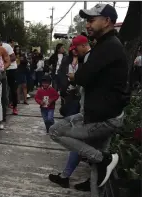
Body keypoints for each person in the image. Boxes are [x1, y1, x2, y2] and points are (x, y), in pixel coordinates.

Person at [49, 3, 130, 188]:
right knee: (97, 172)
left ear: (107, 21)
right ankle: (101, 165)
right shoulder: (105, 44)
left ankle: (104, 159)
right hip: (103, 114)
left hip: (103, 118)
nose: (87, 25)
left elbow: (83, 77)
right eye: (87, 21)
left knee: (55, 131)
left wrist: (76, 77)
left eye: (92, 20)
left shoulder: (109, 46)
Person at [49, 35, 92, 191]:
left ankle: (68, 177)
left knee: (79, 142)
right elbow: (61, 74)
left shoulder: (89, 59)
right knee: (85, 144)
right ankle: (70, 177)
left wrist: (76, 79)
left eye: (75, 48)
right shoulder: (80, 59)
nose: (75, 51)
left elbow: (88, 81)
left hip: (90, 108)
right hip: (81, 104)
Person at [0, 38, 19, 115]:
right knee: (3, 89)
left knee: (13, 89)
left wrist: (3, 61)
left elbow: (13, 57)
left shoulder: (6, 46)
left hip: (11, 69)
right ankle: (5, 106)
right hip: (1, 70)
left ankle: (15, 107)